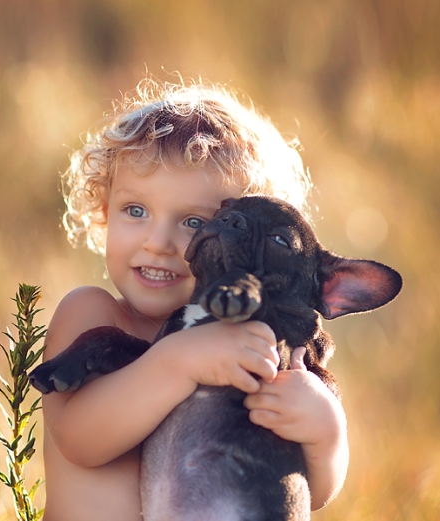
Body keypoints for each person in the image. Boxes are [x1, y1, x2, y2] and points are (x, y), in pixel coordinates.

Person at [40, 78, 348, 521]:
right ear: (104, 211)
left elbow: (304, 491)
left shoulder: (250, 342)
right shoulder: (91, 312)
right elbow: (79, 440)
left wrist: (324, 433)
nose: (159, 242)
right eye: (136, 210)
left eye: (192, 221)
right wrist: (180, 360)